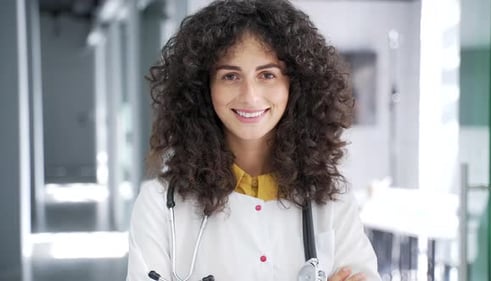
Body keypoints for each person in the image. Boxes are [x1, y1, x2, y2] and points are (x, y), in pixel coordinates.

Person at [127, 0, 381, 280]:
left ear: (295, 85)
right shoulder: (160, 205)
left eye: (267, 74)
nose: (250, 95)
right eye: (230, 76)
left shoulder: (332, 200)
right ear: (202, 88)